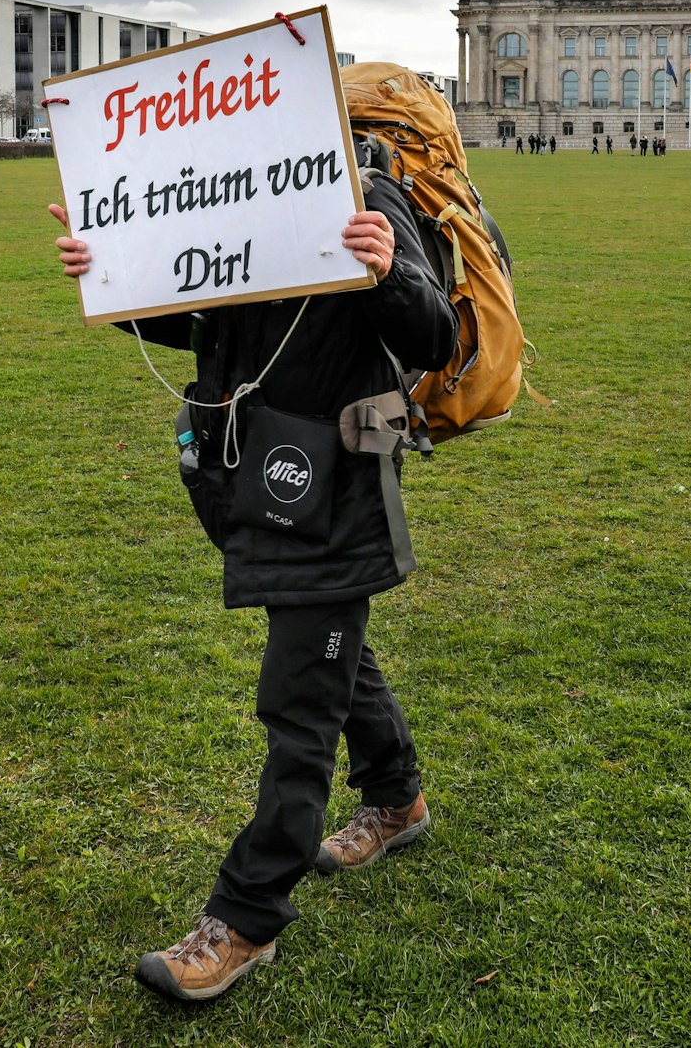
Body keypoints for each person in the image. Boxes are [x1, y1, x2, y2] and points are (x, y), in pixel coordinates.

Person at [47, 172, 457, 1003]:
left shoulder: (364, 194)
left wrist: (388, 271)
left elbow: (435, 334)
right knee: (328, 651)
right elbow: (201, 320)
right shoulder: (238, 201)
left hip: (337, 486)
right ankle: (397, 795)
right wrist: (112, 273)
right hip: (257, 482)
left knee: (299, 700)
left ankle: (243, 918)